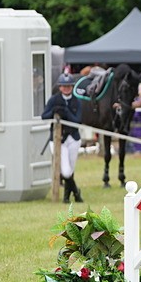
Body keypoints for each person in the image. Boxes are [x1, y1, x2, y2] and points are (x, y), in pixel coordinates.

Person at [41, 73, 83, 203]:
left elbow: (77, 120)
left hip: (73, 139)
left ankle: (67, 197)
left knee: (70, 168)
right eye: (64, 86)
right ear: (60, 87)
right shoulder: (54, 100)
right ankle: (76, 193)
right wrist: (54, 111)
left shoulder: (77, 101)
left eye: (69, 86)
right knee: (65, 171)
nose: (66, 88)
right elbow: (44, 116)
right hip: (58, 139)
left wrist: (66, 111)